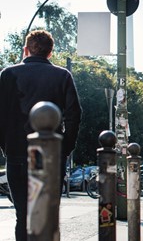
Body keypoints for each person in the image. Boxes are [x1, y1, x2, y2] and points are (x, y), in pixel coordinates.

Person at [0, 30, 82, 240]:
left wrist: (6, 146)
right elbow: (74, 114)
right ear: (50, 52)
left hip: (17, 154)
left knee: (23, 215)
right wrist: (64, 148)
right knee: (46, 214)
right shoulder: (63, 76)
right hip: (50, 157)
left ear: (25, 49)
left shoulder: (8, 74)